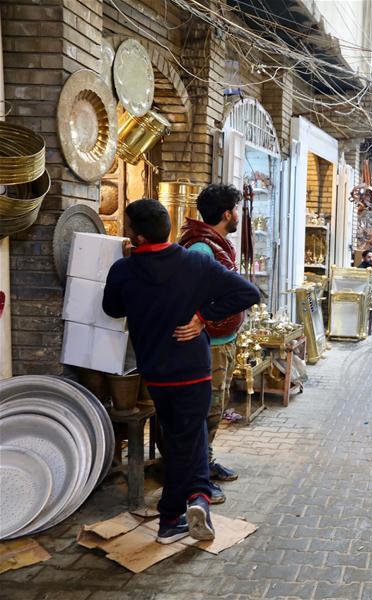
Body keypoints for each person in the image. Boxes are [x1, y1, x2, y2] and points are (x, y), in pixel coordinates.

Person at [103, 199, 260, 545]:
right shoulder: (194, 264)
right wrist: (203, 316)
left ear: (138, 236)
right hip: (192, 368)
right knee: (186, 441)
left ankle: (198, 497)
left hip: (155, 373)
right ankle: (172, 516)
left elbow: (111, 308)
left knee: (184, 438)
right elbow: (248, 293)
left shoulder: (124, 270)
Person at [178, 184, 243, 505]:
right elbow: (187, 294)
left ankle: (206, 461)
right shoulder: (202, 249)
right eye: (236, 210)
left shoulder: (217, 244)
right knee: (206, 411)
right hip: (209, 345)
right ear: (227, 213)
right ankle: (196, 477)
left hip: (223, 340)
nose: (238, 216)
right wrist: (203, 320)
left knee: (215, 409)